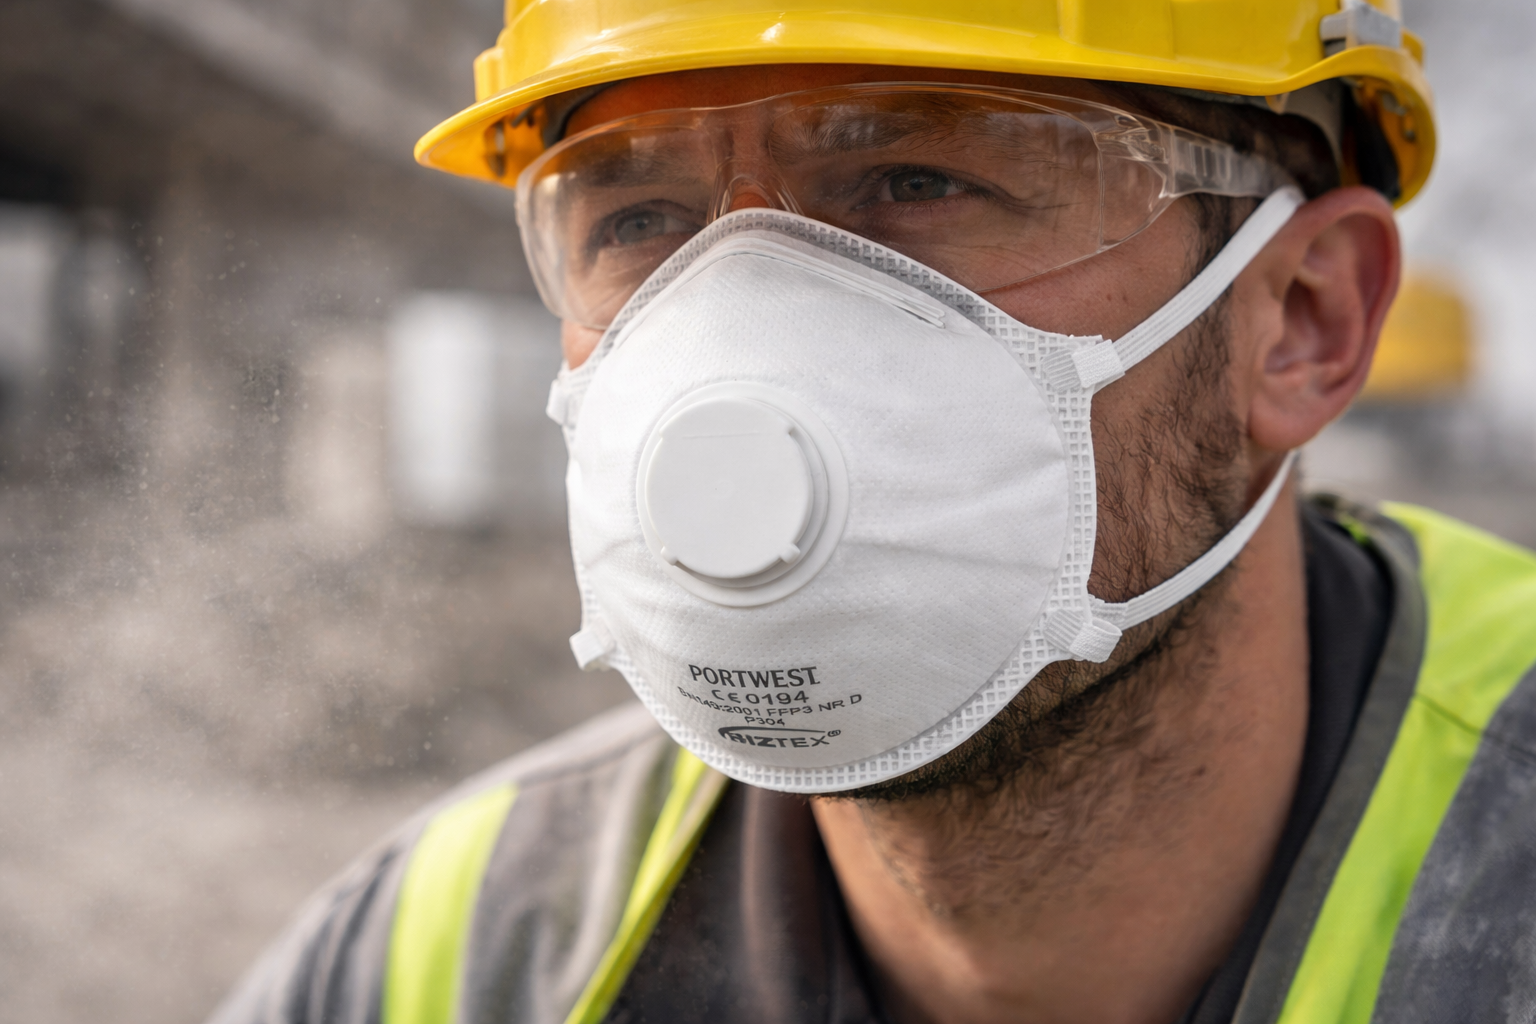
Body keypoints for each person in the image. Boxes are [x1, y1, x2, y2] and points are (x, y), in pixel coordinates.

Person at [210, 3, 1536, 1023]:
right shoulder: (449, 959)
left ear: (1301, 321)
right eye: (641, 216)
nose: (742, 342)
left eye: (914, 183)